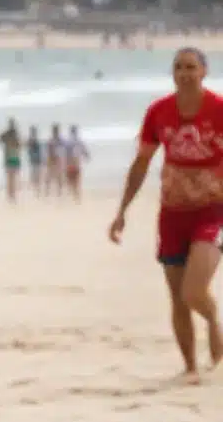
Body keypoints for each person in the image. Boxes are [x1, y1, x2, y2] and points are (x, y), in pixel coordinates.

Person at [109, 47, 223, 381]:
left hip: (212, 212)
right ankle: (189, 367)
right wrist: (122, 211)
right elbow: (142, 162)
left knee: (194, 290)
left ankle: (214, 318)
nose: (184, 73)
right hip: (172, 215)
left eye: (191, 67)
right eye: (178, 67)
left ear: (204, 71)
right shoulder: (159, 112)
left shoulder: (218, 110)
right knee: (177, 297)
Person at [0, 117, 22, 202]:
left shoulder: (13, 135)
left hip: (12, 158)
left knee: (11, 178)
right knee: (11, 178)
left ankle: (11, 195)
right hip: (11, 158)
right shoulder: (10, 134)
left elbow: (19, 145)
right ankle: (11, 195)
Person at [63, 124, 90, 202]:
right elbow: (85, 151)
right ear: (76, 131)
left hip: (69, 164)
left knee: (70, 181)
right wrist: (87, 157)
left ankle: (74, 196)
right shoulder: (79, 140)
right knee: (76, 182)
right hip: (76, 164)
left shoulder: (67, 141)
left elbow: (64, 153)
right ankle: (76, 197)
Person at [45, 123, 64, 197]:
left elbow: (62, 150)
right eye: (55, 130)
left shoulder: (59, 140)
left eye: (56, 130)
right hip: (52, 160)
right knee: (49, 177)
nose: (55, 132)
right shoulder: (51, 140)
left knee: (58, 177)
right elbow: (48, 151)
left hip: (57, 160)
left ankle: (59, 192)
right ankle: (48, 192)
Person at [26, 125, 43, 196]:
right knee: (35, 175)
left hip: (36, 160)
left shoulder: (33, 140)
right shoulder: (32, 140)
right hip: (34, 160)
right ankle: (36, 190)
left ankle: (36, 190)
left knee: (36, 175)